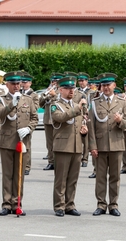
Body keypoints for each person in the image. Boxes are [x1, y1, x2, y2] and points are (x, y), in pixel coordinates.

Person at [88, 73, 126, 217]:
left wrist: (120, 121)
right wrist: (92, 146)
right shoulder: (95, 102)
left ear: (114, 85)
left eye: (109, 85)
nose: (106, 88)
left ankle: (113, 205)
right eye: (103, 85)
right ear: (101, 87)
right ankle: (101, 204)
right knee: (100, 177)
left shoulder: (122, 102)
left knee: (115, 177)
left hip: (117, 144)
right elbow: (91, 126)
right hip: (100, 146)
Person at [0, 71, 38, 216]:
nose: (16, 86)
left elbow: (34, 118)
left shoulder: (28, 99)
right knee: (8, 174)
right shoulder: (1, 99)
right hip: (7, 141)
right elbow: (0, 114)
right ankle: (6, 204)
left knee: (19, 174)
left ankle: (17, 203)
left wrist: (29, 128)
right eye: (13, 84)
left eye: (18, 83)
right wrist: (11, 104)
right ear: (7, 84)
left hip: (22, 141)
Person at [51, 76, 88, 217]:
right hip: (62, 146)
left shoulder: (76, 105)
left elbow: (78, 125)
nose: (71, 90)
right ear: (61, 90)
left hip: (76, 146)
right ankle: (59, 206)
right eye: (67, 88)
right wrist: (78, 108)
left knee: (73, 178)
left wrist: (84, 131)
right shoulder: (56, 105)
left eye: (72, 88)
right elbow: (60, 117)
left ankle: (69, 204)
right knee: (61, 179)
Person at [40, 73, 63, 171]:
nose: (54, 83)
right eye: (53, 81)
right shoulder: (48, 90)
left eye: (56, 81)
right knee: (49, 143)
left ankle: (59, 162)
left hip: (57, 120)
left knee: (59, 142)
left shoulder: (62, 91)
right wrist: (46, 96)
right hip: (48, 119)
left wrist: (55, 95)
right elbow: (40, 104)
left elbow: (63, 101)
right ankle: (51, 162)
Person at [21, 72, 39, 175]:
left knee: (26, 145)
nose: (23, 84)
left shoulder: (33, 95)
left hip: (28, 122)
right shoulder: (19, 93)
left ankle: (27, 166)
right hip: (19, 121)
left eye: (25, 82)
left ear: (30, 83)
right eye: (22, 82)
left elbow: (35, 108)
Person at [77, 72, 90, 168]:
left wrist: (87, 114)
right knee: (78, 138)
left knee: (86, 139)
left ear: (87, 81)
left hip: (88, 117)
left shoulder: (91, 92)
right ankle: (78, 157)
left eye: (83, 80)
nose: (81, 82)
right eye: (80, 81)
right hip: (78, 116)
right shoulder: (76, 92)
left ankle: (85, 159)